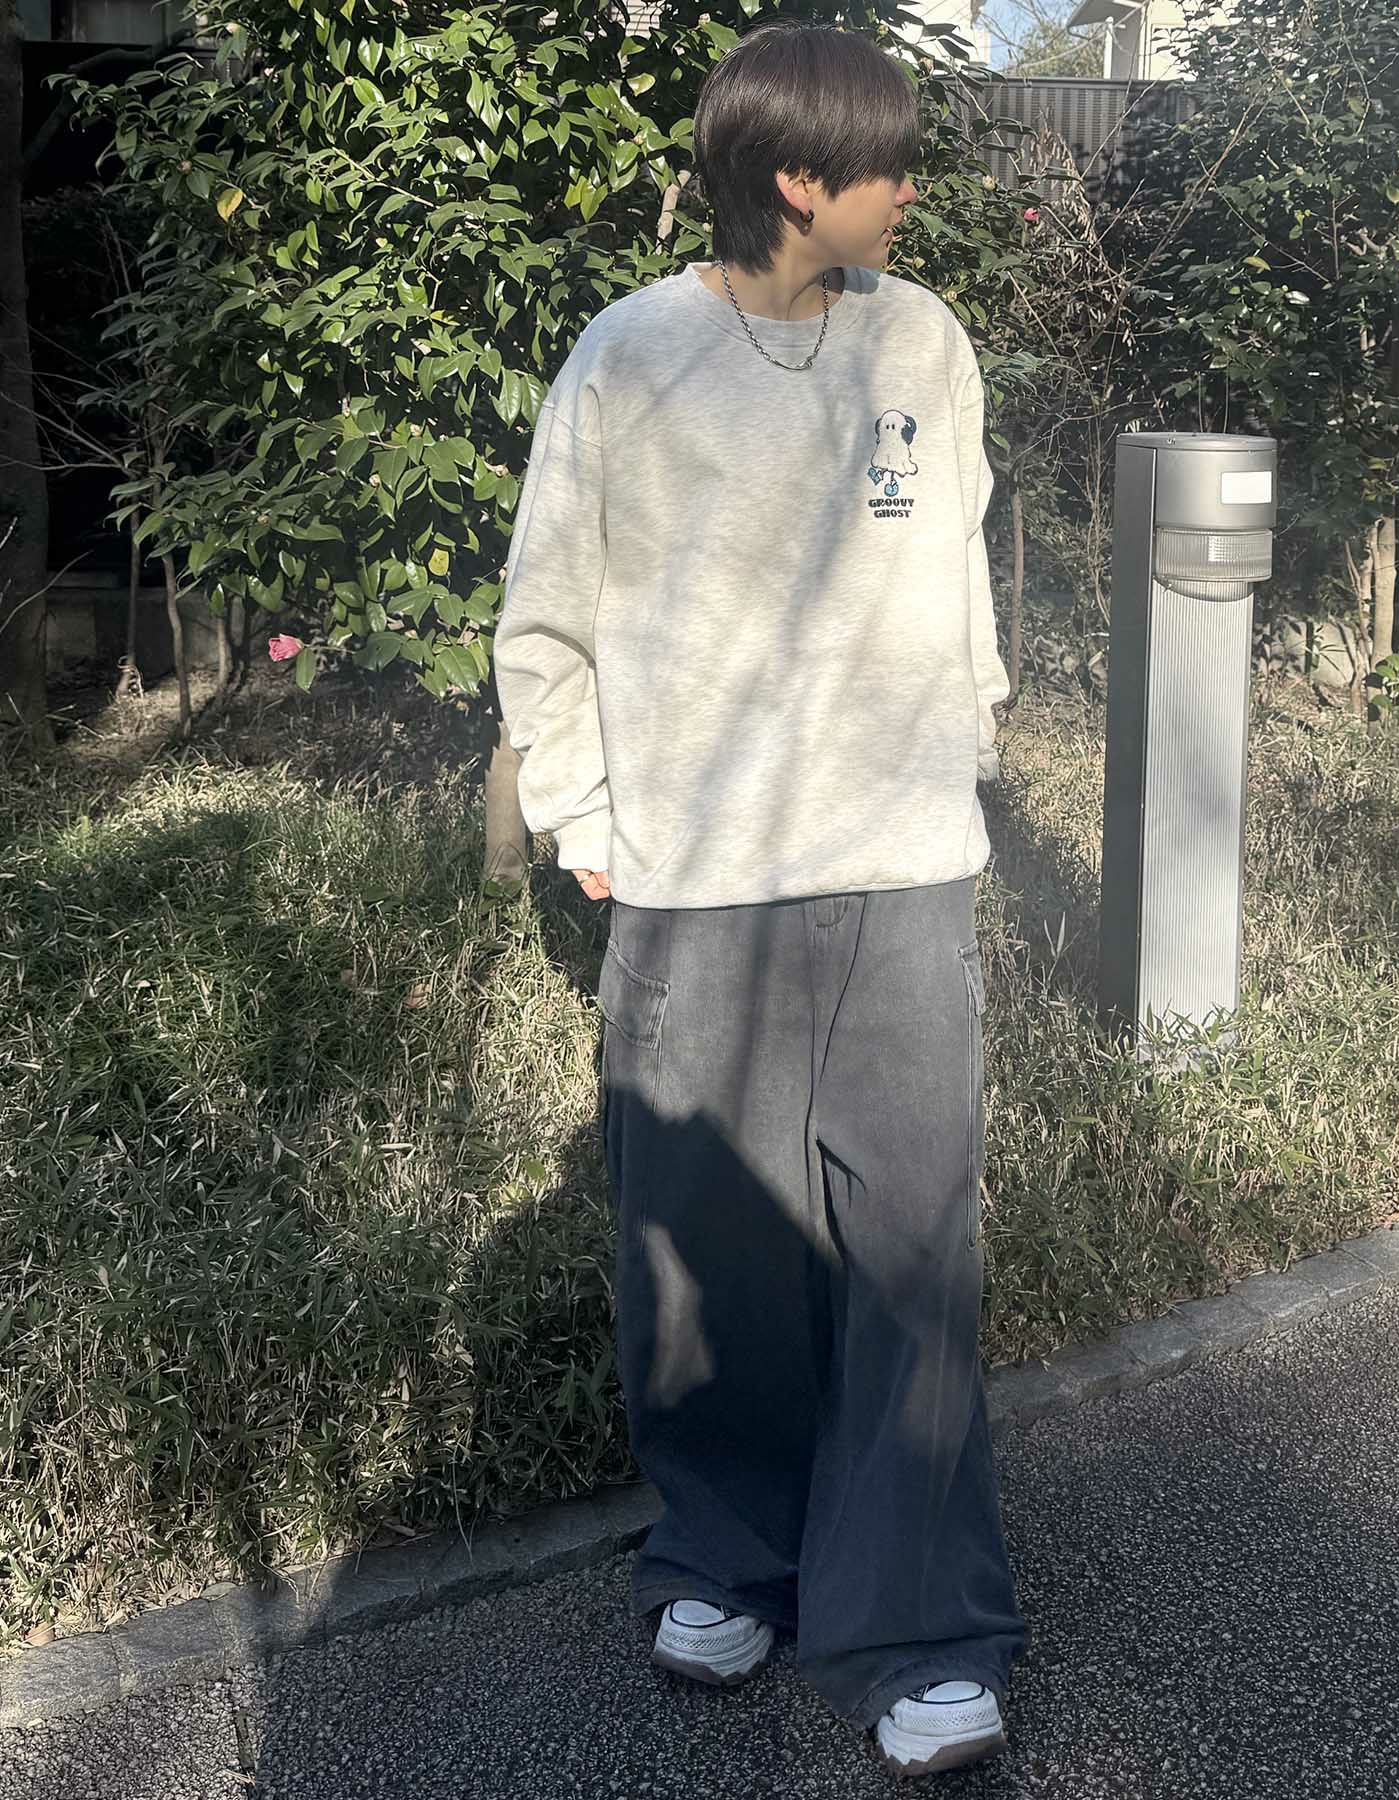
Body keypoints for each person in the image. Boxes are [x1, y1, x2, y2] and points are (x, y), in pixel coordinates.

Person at [492, 19, 1029, 1780]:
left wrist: (971, 737)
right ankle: (727, 1554)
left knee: (911, 1253)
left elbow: (957, 560)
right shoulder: (631, 356)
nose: (909, 189)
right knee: (710, 1246)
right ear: (799, 180)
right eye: (885, 163)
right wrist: (580, 812)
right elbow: (547, 614)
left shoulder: (923, 339)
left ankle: (922, 1627)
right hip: (702, 878)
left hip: (904, 866)